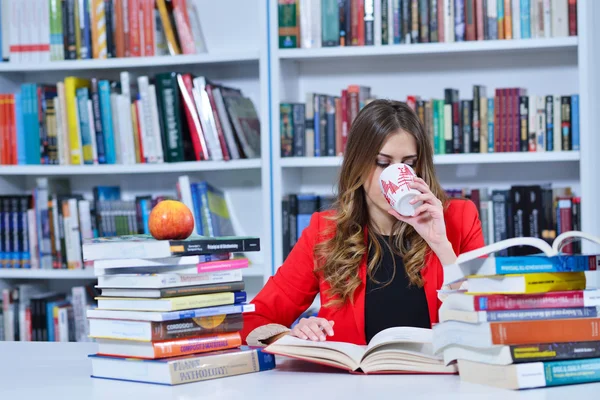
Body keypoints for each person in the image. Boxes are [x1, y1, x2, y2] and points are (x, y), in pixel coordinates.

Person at [242, 99, 484, 346]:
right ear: (357, 163)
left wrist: (442, 246)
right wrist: (293, 335)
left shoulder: (459, 218)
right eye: (382, 163)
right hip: (354, 382)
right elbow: (253, 318)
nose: (397, 174)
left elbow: (488, 321)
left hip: (439, 379)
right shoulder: (324, 231)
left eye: (409, 164)